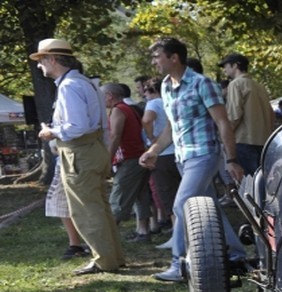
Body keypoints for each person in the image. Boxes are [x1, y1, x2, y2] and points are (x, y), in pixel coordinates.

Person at [139, 36, 246, 283]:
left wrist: (231, 158)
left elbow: (223, 122)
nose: (154, 62)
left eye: (157, 57)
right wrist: (153, 150)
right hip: (182, 157)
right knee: (211, 207)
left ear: (173, 58)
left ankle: (179, 264)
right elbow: (171, 130)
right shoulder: (165, 86)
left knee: (182, 205)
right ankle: (237, 255)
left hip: (204, 153)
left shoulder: (201, 84)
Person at [31, 38, 124, 275]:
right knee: (99, 207)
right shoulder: (84, 82)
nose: (39, 66)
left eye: (41, 60)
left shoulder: (69, 86)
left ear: (52, 59)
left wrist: (50, 131)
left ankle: (105, 260)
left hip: (79, 153)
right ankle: (113, 257)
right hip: (92, 151)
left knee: (86, 210)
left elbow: (77, 126)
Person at [101, 82, 153, 242]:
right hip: (139, 156)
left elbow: (115, 136)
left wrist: (108, 160)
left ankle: (107, 238)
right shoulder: (130, 108)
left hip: (130, 159)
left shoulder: (118, 110)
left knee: (118, 197)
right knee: (141, 195)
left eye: (102, 96)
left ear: (109, 96)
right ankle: (143, 232)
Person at [218, 52, 274, 176]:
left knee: (249, 187)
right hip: (264, 141)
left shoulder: (235, 84)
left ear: (235, 66)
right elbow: (271, 115)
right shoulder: (259, 86)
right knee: (262, 183)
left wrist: (224, 136)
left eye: (226, 66)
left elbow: (234, 116)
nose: (225, 70)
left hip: (244, 141)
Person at [141, 77, 181, 247]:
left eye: (144, 90)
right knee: (180, 192)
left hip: (162, 152)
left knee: (167, 195)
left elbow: (146, 120)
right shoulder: (171, 100)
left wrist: (151, 138)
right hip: (177, 151)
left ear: (151, 90)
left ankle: (177, 235)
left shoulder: (153, 103)